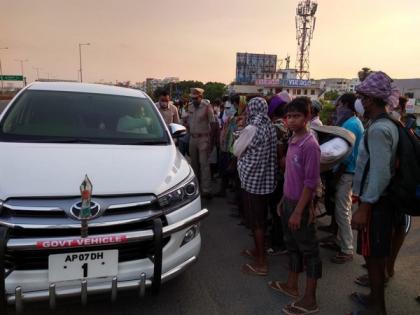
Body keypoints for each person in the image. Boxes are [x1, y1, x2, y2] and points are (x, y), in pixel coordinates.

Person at [351, 71, 399, 315]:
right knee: (372, 255)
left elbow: (380, 173)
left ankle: (378, 308)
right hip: (379, 202)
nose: (360, 100)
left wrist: (364, 207)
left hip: (376, 204)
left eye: (362, 96)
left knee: (375, 258)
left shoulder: (379, 130)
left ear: (370, 99)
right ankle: (373, 299)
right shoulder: (387, 123)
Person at [268, 97, 322, 315]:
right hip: (289, 202)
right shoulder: (293, 140)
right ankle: (292, 285)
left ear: (308, 117)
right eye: (289, 116)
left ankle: (310, 299)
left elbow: (310, 183)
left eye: (296, 116)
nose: (291, 120)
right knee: (292, 246)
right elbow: (291, 176)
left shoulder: (310, 145)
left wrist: (299, 211)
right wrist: (283, 200)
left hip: (300, 205)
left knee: (310, 252)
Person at [233, 97, 277, 276]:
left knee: (256, 222)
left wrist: (240, 135)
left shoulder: (251, 128)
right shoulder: (270, 126)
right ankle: (259, 251)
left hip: (252, 181)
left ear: (251, 109)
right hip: (266, 180)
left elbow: (236, 150)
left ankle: (261, 263)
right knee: (261, 219)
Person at [329, 93, 364, 264]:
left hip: (347, 172)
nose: (337, 108)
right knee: (343, 208)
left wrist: (336, 175)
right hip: (348, 172)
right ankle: (340, 241)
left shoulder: (350, 124)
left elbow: (346, 154)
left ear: (347, 106)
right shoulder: (353, 122)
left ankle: (347, 249)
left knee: (342, 210)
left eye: (339, 104)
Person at [267, 92, 292, 255]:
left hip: (278, 174)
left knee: (277, 208)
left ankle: (279, 243)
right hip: (286, 173)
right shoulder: (288, 125)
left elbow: (277, 154)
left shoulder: (276, 127)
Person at [186, 88, 215, 199]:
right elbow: (188, 121)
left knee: (204, 164)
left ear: (201, 97)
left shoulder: (207, 107)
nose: (194, 100)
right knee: (194, 164)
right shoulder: (190, 106)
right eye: (192, 98)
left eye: (196, 98)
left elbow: (213, 123)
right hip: (192, 138)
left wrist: (211, 141)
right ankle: (195, 188)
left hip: (204, 138)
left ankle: (206, 190)